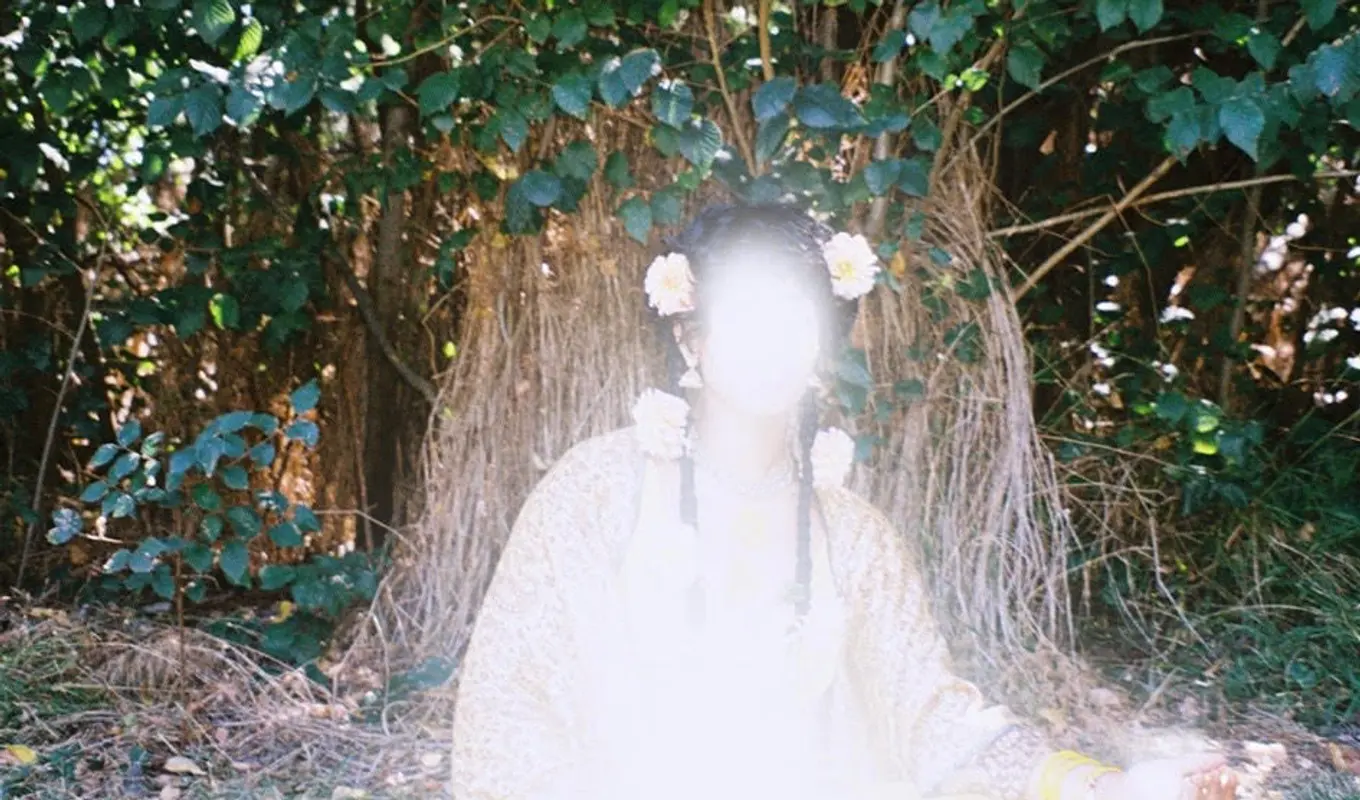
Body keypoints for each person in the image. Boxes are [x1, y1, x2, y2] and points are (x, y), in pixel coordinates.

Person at [450, 204, 1238, 800]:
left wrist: (1108, 789)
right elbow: (508, 714)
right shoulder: (595, 492)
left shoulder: (853, 535)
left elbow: (932, 722)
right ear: (692, 338)